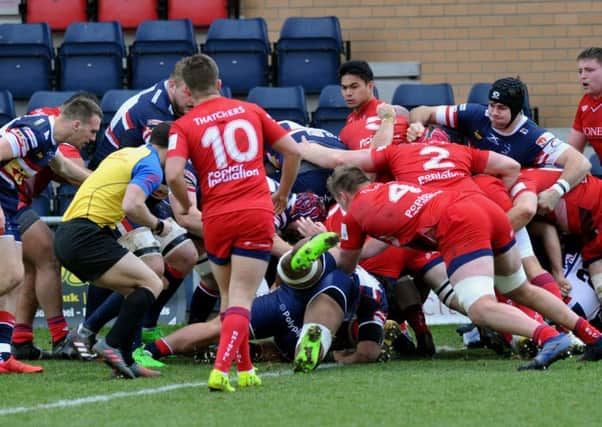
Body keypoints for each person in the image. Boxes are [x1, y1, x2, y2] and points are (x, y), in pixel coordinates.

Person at [319, 165, 602, 370]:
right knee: (519, 289)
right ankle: (592, 336)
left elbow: (347, 263)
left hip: (457, 222)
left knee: (479, 307)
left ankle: (550, 337)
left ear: (343, 197)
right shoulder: (387, 189)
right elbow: (376, 245)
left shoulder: (352, 214)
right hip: (482, 207)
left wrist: (320, 247)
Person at [165, 53, 301, 392]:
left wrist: (184, 204)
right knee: (242, 297)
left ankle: (246, 369)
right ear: (219, 84)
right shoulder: (251, 110)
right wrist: (282, 194)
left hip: (215, 217)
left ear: (186, 90)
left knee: (228, 298)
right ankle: (220, 370)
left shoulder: (184, 124)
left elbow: (172, 174)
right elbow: (293, 151)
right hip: (254, 212)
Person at [143, 238, 388, 371]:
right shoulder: (375, 296)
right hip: (319, 305)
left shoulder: (350, 271)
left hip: (285, 298)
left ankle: (149, 351)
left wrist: (278, 284)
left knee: (218, 326)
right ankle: (310, 346)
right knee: (331, 293)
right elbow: (367, 353)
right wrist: (339, 358)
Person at [53, 122, 174, 379]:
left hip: (70, 234)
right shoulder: (151, 165)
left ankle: (126, 362)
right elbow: (132, 205)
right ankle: (111, 344)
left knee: (136, 288)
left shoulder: (125, 153)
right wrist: (159, 224)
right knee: (153, 282)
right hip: (85, 234)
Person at [0, 97, 99, 373]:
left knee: (13, 278)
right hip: (3, 201)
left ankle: (4, 355)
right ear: (76, 124)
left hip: (10, 201)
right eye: (91, 131)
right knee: (16, 273)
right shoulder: (36, 131)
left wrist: (107, 184)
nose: (92, 139)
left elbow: (66, 169)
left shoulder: (50, 139)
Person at [408, 76, 592, 215]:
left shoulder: (534, 137)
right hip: (467, 187)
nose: (494, 113)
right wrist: (416, 125)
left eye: (502, 108)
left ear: (517, 110)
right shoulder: (476, 113)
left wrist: (556, 191)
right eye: (492, 105)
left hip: (504, 199)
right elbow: (422, 111)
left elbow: (581, 163)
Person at [337, 60, 409, 150]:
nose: (348, 93)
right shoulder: (351, 117)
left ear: (370, 86)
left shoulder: (386, 113)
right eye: (344, 88)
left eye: (354, 87)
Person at [567, 47, 602, 161]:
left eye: (589, 70)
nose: (583, 76)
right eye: (580, 71)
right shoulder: (585, 102)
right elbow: (573, 150)